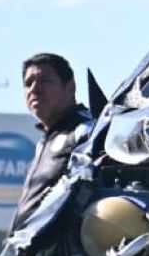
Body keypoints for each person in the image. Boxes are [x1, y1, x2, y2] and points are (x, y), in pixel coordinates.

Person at [13, 52, 92, 231]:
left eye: (44, 81)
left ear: (70, 88)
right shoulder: (44, 142)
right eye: (28, 83)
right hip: (28, 253)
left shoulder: (87, 131)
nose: (34, 89)